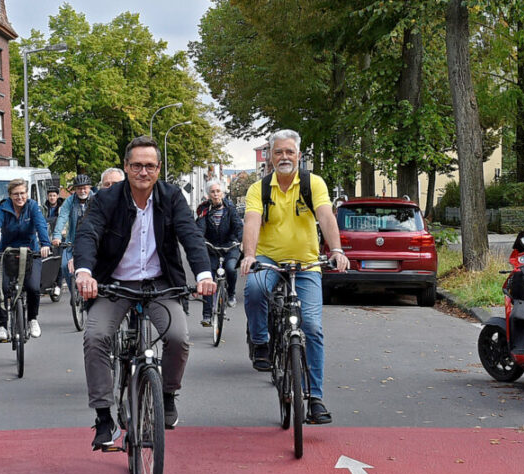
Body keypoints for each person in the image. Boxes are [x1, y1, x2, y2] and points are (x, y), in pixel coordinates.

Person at [74, 136, 215, 447]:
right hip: (115, 285)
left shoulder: (171, 197)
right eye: (136, 165)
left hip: (160, 284)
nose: (143, 171)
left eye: (149, 166)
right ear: (126, 167)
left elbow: (190, 235)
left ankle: (166, 395)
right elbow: (88, 233)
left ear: (158, 169)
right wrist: (84, 272)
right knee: (96, 336)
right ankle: (103, 417)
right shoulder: (106, 200)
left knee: (179, 337)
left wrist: (204, 274)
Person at [240, 129, 349, 425]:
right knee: (254, 288)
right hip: (269, 258)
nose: (284, 157)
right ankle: (261, 342)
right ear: (271, 158)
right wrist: (249, 254)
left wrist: (336, 249)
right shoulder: (259, 189)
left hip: (306, 263)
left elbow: (326, 216)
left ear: (299, 156)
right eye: (279, 152)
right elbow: (251, 221)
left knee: (312, 327)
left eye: (290, 152)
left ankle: (315, 398)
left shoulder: (313, 184)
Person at [0, 178, 52, 342]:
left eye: (22, 193)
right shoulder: (4, 208)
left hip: (30, 252)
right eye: (16, 194)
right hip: (6, 252)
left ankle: (32, 319)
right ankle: (2, 325)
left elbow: (41, 224)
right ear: (10, 195)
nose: (20, 197)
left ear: (27, 193)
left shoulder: (32, 207)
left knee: (33, 287)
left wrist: (45, 244)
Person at [197, 180, 244, 326]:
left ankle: (231, 294)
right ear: (208, 194)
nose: (216, 194)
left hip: (230, 246)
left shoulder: (230, 208)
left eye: (218, 191)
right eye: (213, 191)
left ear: (223, 193)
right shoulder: (203, 210)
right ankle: (206, 316)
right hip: (212, 248)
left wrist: (242, 240)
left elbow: (238, 226)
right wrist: (198, 242)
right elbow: (199, 229)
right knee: (208, 278)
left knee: (230, 268)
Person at [51, 174, 94, 294]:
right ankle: (74, 295)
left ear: (89, 187)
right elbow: (62, 217)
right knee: (65, 266)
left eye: (85, 188)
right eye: (79, 188)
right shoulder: (70, 201)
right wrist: (57, 236)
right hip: (72, 241)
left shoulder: (96, 199)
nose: (82, 191)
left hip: (91, 241)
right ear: (75, 189)